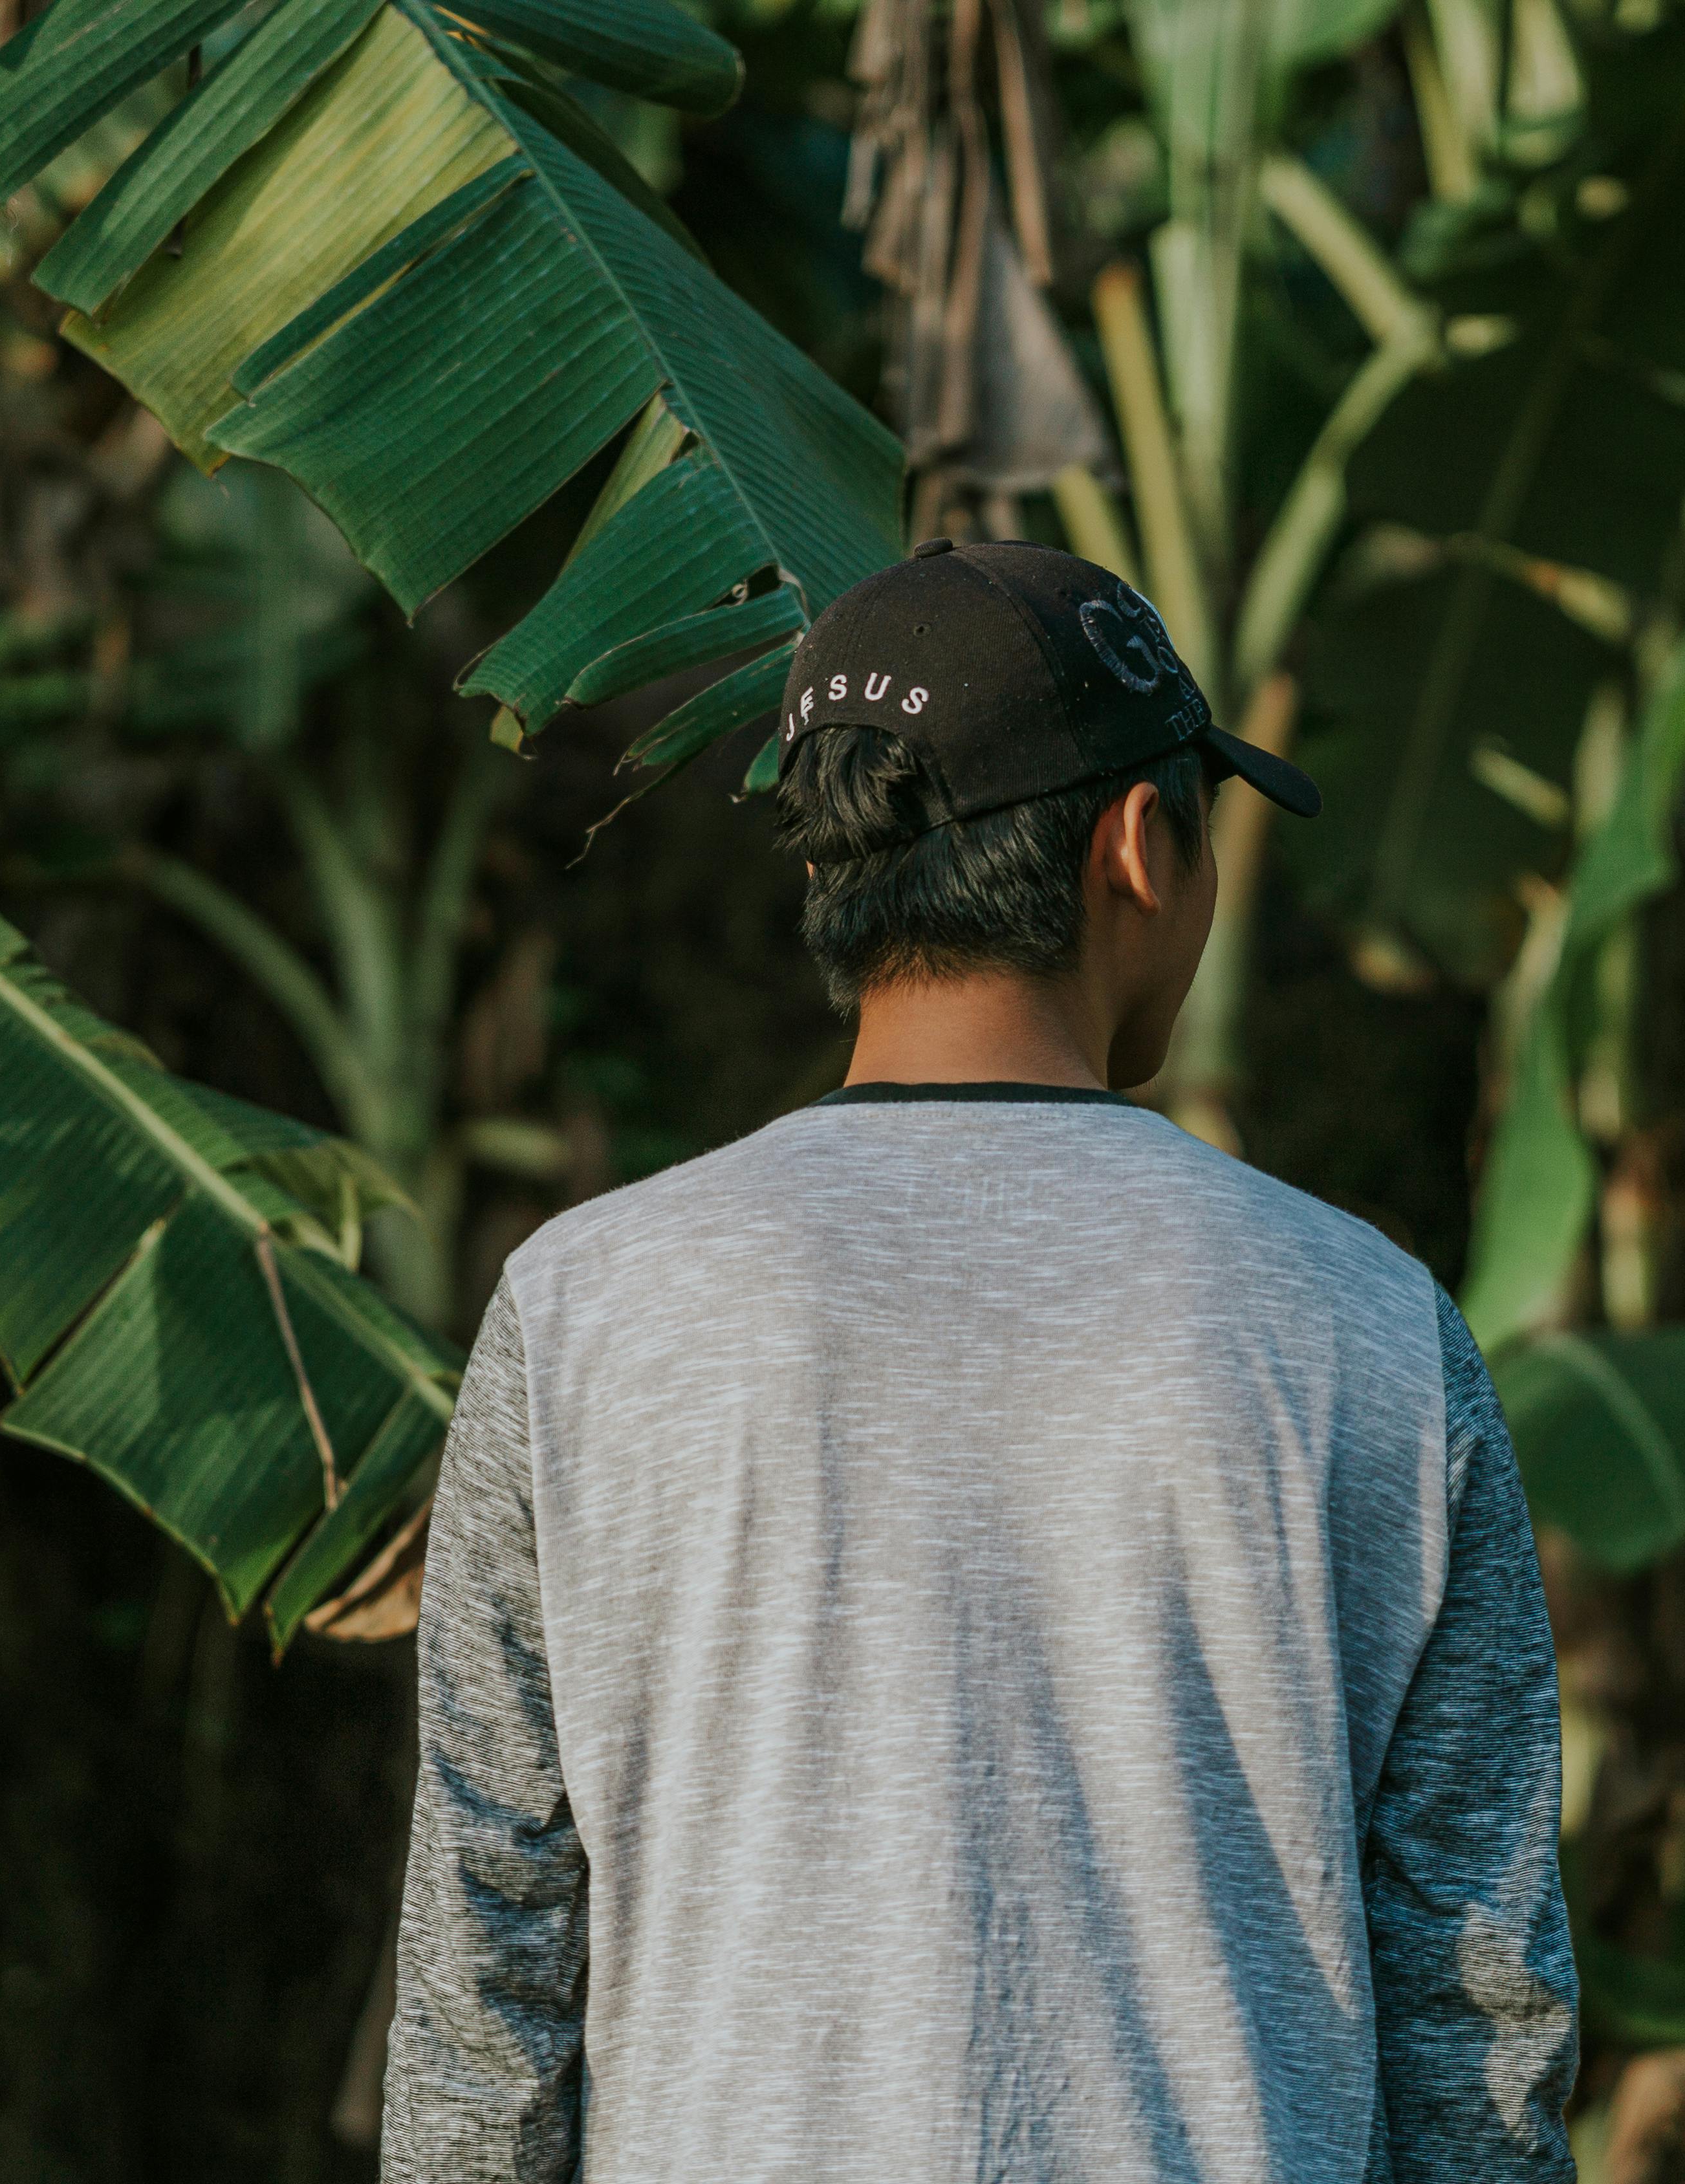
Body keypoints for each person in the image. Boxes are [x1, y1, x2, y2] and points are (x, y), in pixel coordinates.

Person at [384, 540, 1578, 2183]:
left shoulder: (585, 1308)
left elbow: (491, 1964)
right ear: (1141, 847)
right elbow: (1477, 2010)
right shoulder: (1365, 1325)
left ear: (835, 872)